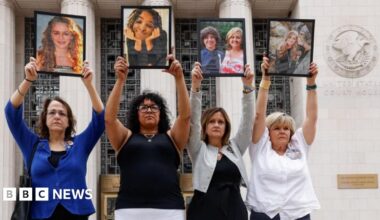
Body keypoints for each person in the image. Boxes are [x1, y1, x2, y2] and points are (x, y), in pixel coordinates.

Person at [5, 57, 104, 219]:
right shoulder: (32, 144)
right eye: (52, 112)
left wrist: (89, 85)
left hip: (75, 214)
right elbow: (11, 112)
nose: (57, 116)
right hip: (39, 215)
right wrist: (28, 80)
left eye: (62, 113)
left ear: (68, 121)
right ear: (44, 119)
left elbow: (101, 119)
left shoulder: (80, 145)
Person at [105, 55, 190, 220]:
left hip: (170, 210)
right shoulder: (125, 137)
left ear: (161, 114)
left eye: (154, 107)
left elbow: (185, 117)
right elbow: (109, 119)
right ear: (136, 114)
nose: (149, 110)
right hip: (129, 210)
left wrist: (179, 79)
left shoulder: (172, 137)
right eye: (143, 107)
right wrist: (120, 80)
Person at [246, 56, 320, 220]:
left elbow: (312, 117)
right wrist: (265, 80)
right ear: (268, 132)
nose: (282, 132)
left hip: (297, 214)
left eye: (286, 129)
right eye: (277, 128)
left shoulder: (299, 144)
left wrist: (311, 83)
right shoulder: (260, 147)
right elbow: (258, 116)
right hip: (265, 213)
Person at [186, 61, 255, 220]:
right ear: (205, 125)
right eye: (212, 121)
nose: (216, 124)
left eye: (220, 121)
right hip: (204, 210)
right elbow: (193, 121)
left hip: (234, 210)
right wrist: (195, 87)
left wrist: (248, 87)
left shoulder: (235, 147)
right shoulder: (198, 148)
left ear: (226, 126)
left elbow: (247, 123)